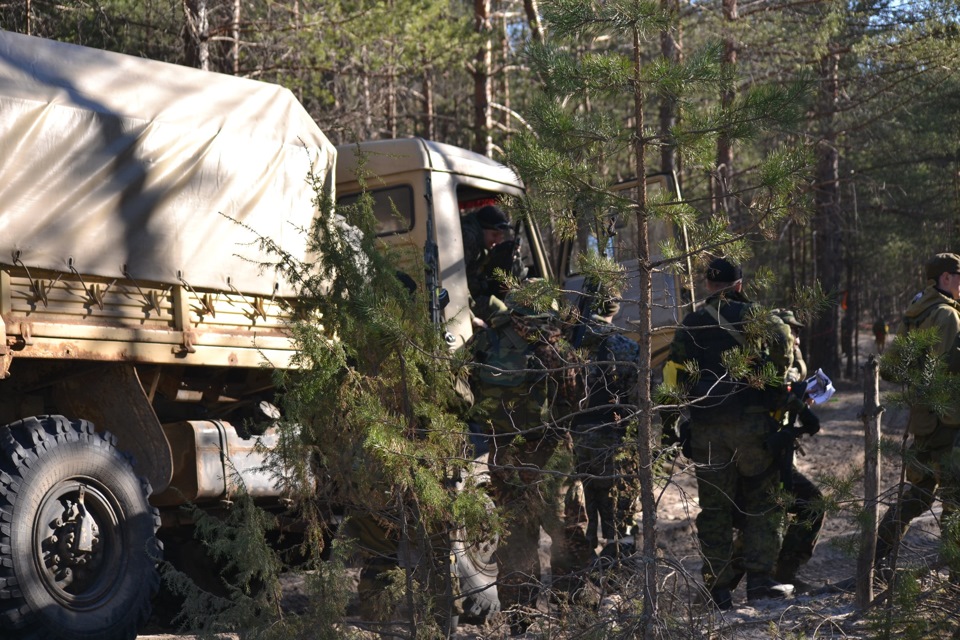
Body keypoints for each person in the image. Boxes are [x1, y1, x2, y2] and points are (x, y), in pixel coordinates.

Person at [665, 257, 795, 609]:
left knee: (715, 510)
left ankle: (719, 590)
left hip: (707, 427)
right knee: (763, 504)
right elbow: (783, 359)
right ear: (738, 285)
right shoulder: (758, 317)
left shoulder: (691, 322)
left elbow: (674, 374)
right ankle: (760, 582)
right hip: (752, 424)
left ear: (709, 285)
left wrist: (679, 422)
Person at [464, 296, 580, 632]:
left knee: (516, 544)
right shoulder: (554, 346)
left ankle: (519, 623)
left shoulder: (484, 343)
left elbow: (463, 388)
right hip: (553, 457)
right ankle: (573, 617)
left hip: (505, 456)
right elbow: (577, 399)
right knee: (566, 537)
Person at [874, 253, 960, 577]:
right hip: (949, 422)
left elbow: (893, 368)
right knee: (954, 500)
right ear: (946, 278)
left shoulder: (914, 313)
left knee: (919, 495)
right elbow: (940, 371)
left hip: (924, 421)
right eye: (959, 276)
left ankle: (876, 558)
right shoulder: (947, 316)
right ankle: (956, 579)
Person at [569, 292, 640, 556]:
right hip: (613, 438)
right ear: (615, 308)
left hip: (573, 438)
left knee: (579, 513)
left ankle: (581, 572)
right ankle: (616, 572)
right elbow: (641, 401)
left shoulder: (568, 344)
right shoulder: (626, 347)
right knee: (619, 512)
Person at [460, 204, 522, 323]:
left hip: (473, 296)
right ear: (482, 230)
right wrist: (472, 318)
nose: (498, 241)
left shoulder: (480, 243)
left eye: (500, 236)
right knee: (503, 314)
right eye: (494, 235)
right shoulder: (469, 239)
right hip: (465, 302)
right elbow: (455, 282)